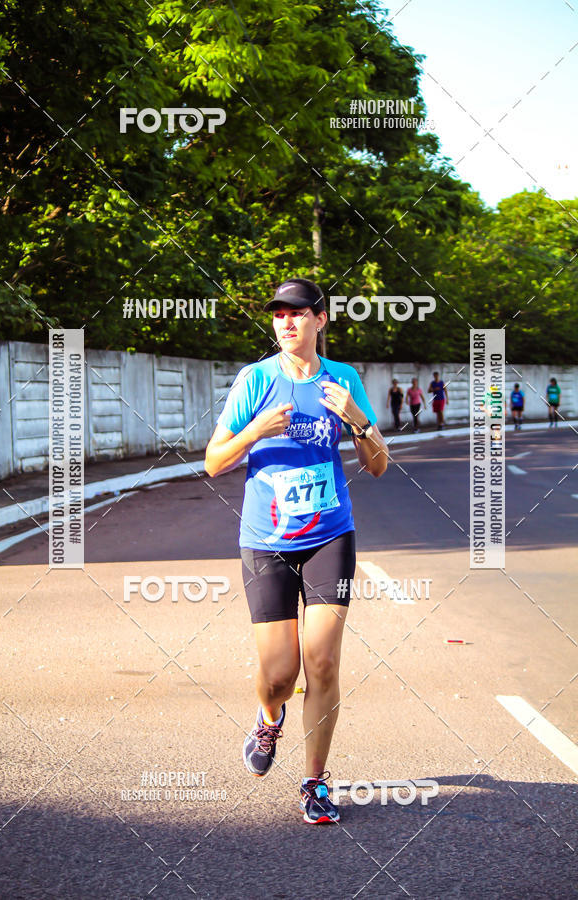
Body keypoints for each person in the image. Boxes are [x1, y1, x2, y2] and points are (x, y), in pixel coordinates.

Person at [205, 277, 388, 825]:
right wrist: (254, 430)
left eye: (298, 313)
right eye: (279, 314)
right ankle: (269, 713)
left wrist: (357, 419)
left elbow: (378, 464)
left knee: (324, 662)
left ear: (321, 319)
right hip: (267, 541)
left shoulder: (343, 379)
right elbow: (214, 462)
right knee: (281, 673)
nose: (286, 322)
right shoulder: (255, 380)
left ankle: (314, 781)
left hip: (331, 533)